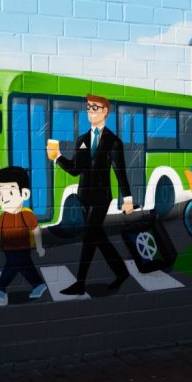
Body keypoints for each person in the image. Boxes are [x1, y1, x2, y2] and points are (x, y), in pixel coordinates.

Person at [48, 94, 133, 295]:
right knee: (98, 237)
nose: (90, 112)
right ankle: (122, 272)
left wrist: (128, 199)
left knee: (89, 237)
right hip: (85, 196)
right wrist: (57, 157)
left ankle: (80, 283)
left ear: (105, 112)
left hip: (102, 197)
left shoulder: (113, 141)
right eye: (88, 108)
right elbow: (75, 169)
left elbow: (120, 172)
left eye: (95, 108)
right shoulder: (82, 140)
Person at [0, 166, 48, 304]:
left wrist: (39, 246)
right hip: (9, 249)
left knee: (12, 267)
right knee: (25, 268)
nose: (4, 197)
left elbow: (36, 230)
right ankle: (38, 285)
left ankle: (0, 289)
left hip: (22, 248)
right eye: (0, 192)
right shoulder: (2, 218)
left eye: (10, 192)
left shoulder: (27, 215)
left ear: (25, 194)